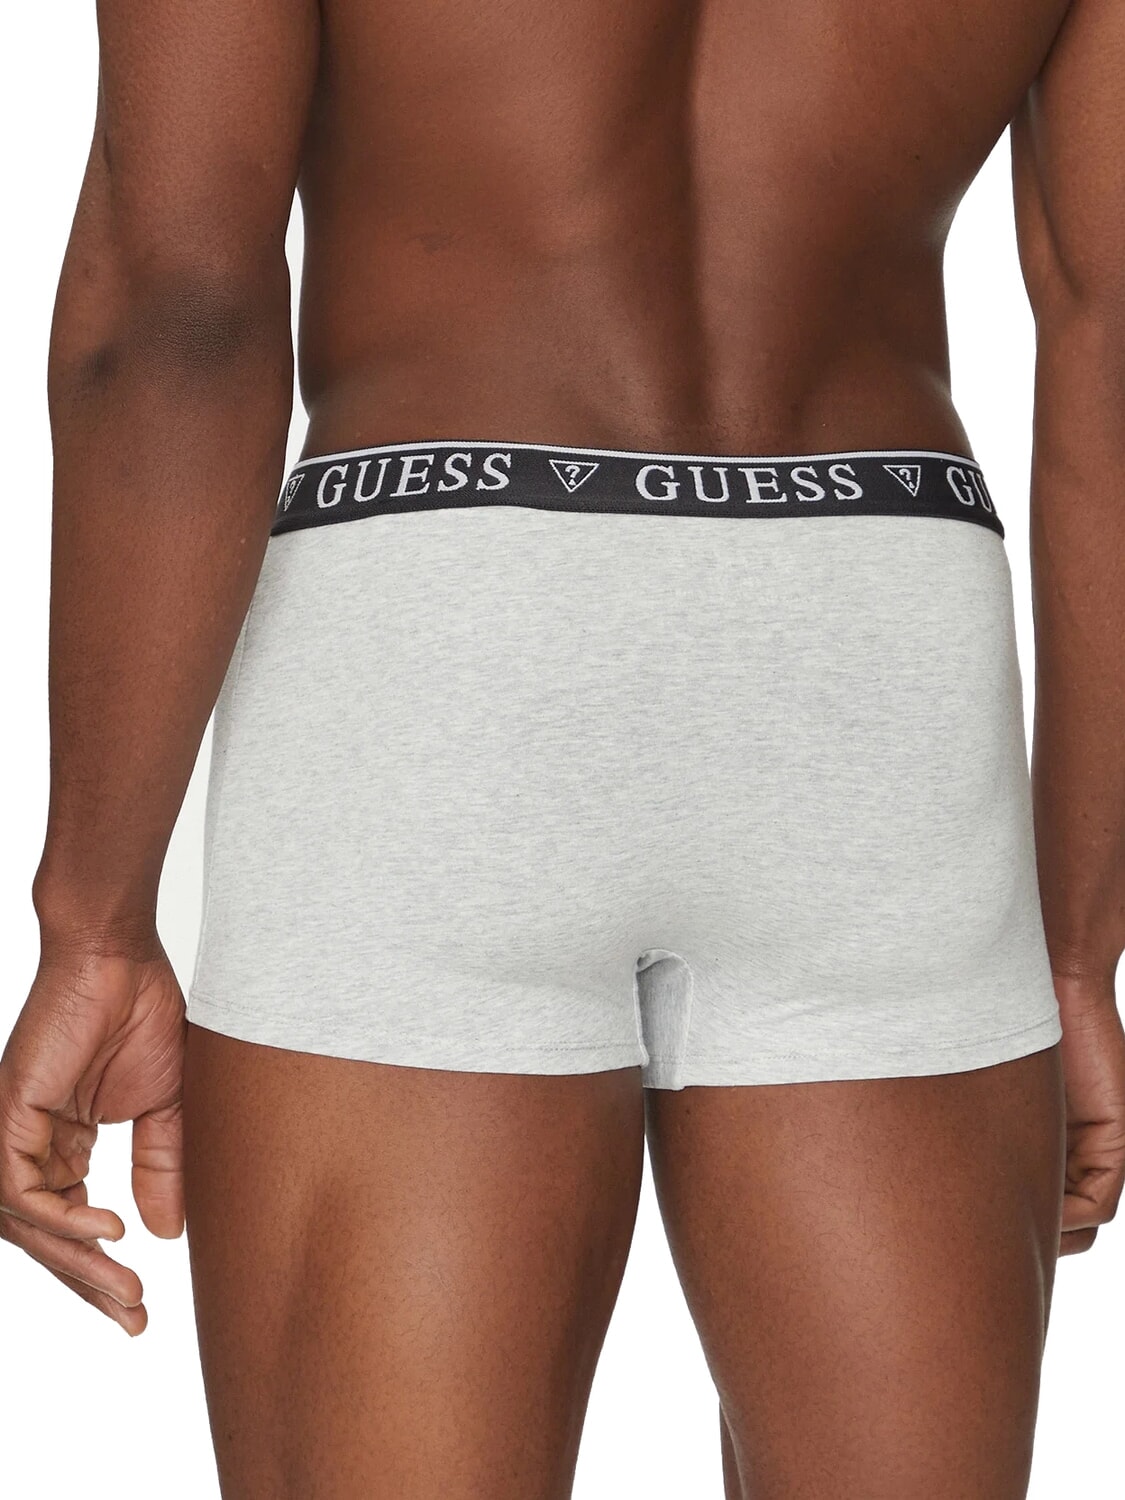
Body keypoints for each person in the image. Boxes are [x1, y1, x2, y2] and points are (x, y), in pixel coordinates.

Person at [2, 0, 1124, 1495]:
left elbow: (179, 310)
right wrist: (1077, 949)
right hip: (875, 644)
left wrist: (93, 920)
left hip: (438, 629)